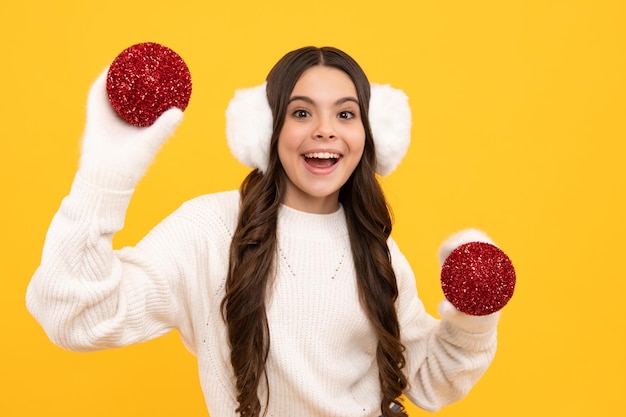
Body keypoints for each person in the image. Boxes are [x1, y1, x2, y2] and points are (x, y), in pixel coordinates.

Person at [26, 46, 502, 417]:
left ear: (371, 134)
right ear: (266, 130)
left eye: (345, 113)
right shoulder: (209, 231)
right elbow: (76, 318)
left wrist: (476, 312)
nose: (324, 130)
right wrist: (103, 179)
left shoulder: (378, 250)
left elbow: (426, 381)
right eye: (300, 112)